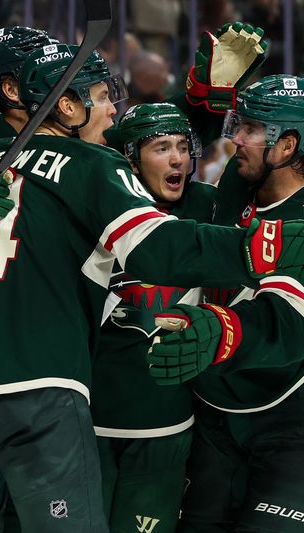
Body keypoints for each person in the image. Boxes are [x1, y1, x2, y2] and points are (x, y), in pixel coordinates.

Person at [0, 47, 304, 533]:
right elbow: (162, 243)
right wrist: (265, 247)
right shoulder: (99, 169)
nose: (111, 111)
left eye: (250, 130)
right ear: (64, 105)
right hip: (56, 393)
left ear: (289, 145)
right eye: (104, 97)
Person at [144, 75, 304, 533]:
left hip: (298, 417)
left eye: (253, 129)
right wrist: (205, 91)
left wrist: (220, 331)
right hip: (220, 409)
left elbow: (290, 328)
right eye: (240, 123)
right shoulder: (240, 183)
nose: (237, 137)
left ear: (287, 146)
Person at [92, 103, 213, 533]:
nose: (178, 158)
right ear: (129, 158)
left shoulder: (206, 206)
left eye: (183, 146)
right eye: (162, 148)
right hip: (87, 423)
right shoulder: (97, 205)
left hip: (167, 425)